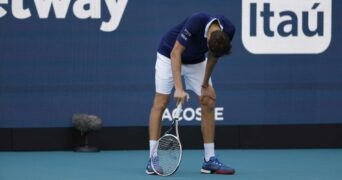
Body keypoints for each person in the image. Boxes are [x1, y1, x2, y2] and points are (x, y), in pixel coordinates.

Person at [146, 12, 236, 175]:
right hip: (169, 54)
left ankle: (209, 160)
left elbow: (213, 56)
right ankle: (152, 159)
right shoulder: (197, 21)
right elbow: (176, 53)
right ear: (208, 39)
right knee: (160, 102)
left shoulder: (228, 29)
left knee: (208, 101)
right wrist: (179, 88)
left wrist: (205, 84)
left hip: (196, 61)